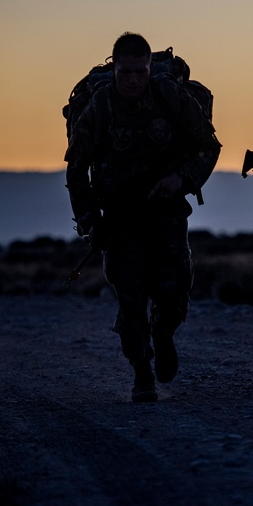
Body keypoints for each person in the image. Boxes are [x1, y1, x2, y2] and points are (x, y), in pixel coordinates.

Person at [65, 32, 221, 402]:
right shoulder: (99, 107)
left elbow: (208, 145)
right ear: (114, 69)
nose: (133, 80)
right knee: (130, 301)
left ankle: (163, 335)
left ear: (149, 68)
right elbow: (76, 172)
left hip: (166, 214)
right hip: (118, 221)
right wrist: (89, 220)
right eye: (125, 73)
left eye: (140, 72)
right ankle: (141, 373)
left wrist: (181, 179)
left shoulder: (169, 96)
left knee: (174, 293)